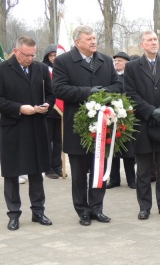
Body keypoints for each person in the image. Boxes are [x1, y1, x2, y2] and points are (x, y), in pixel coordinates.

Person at [53, 25, 123, 226]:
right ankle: (82, 210)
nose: (94, 42)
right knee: (79, 173)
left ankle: (97, 208)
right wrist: (89, 92)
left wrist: (103, 94)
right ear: (78, 42)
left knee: (99, 170)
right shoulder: (63, 61)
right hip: (77, 126)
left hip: (103, 125)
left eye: (94, 38)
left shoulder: (104, 60)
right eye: (89, 39)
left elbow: (118, 86)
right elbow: (59, 89)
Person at [0, 36, 55, 231]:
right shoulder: (3, 69)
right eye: (26, 55)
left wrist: (47, 105)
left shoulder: (40, 68)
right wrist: (19, 108)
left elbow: (50, 93)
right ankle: (14, 214)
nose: (31, 58)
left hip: (36, 126)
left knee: (36, 171)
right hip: (13, 127)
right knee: (12, 173)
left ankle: (38, 211)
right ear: (16, 52)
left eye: (33, 54)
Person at [124, 31, 160, 221]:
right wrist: (149, 111)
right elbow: (130, 94)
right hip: (143, 124)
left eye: (155, 39)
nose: (153, 42)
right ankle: (144, 207)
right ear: (142, 45)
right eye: (149, 40)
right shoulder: (132, 67)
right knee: (143, 170)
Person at [106, 51, 136, 189]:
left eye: (120, 61)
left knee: (128, 151)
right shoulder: (111, 77)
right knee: (112, 148)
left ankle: (131, 179)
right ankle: (114, 179)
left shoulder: (130, 77)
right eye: (115, 61)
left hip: (127, 117)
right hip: (111, 117)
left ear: (127, 63)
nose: (116, 63)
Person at [42, 44, 63, 179]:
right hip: (48, 110)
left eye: (56, 55)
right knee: (47, 140)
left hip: (60, 111)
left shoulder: (63, 70)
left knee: (58, 141)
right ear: (47, 57)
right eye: (51, 55)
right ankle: (48, 167)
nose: (54, 58)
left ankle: (58, 166)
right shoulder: (44, 69)